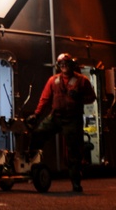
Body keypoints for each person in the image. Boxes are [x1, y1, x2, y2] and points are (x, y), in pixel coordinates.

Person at [28, 52, 96, 192]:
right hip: (56, 117)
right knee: (38, 133)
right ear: (59, 66)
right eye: (62, 64)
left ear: (72, 65)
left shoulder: (82, 80)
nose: (64, 66)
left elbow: (92, 97)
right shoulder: (53, 80)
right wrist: (36, 114)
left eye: (67, 64)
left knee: (74, 151)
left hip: (72, 119)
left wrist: (79, 98)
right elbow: (45, 99)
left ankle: (76, 182)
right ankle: (32, 166)